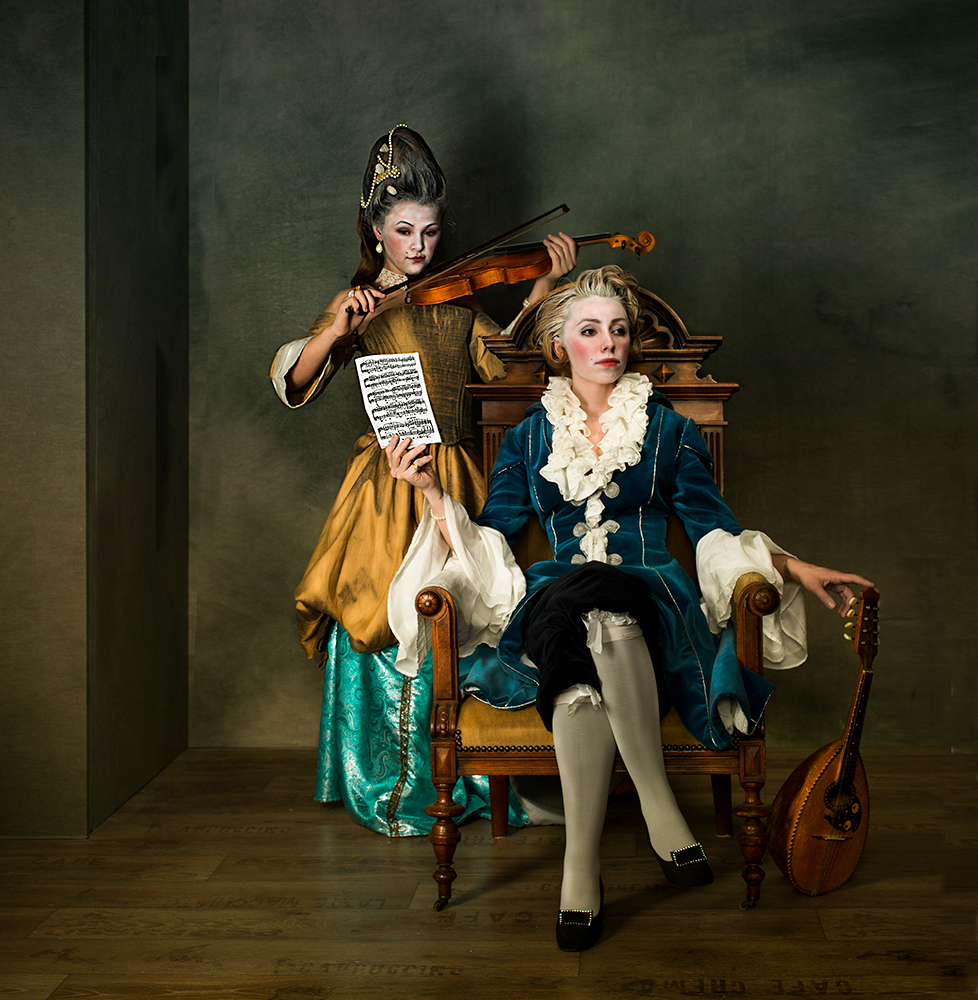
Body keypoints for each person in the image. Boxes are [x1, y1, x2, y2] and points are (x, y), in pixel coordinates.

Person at [385, 264, 874, 950]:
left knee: (602, 620)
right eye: (590, 330)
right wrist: (433, 494)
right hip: (554, 594)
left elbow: (712, 528)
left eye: (617, 329)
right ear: (560, 345)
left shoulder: (670, 430)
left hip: (652, 595)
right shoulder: (528, 437)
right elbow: (493, 536)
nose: (608, 342)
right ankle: (640, 818)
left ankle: (592, 861)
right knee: (577, 649)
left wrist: (792, 566)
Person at [270, 124, 577, 837]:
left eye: (431, 232)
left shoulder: (460, 305)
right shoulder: (359, 305)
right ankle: (394, 780)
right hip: (388, 483)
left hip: (457, 478)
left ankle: (471, 770)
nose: (418, 247)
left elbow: (513, 373)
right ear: (376, 231)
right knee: (386, 610)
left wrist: (541, 291)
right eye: (404, 231)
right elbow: (295, 378)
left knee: (470, 609)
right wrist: (334, 329)